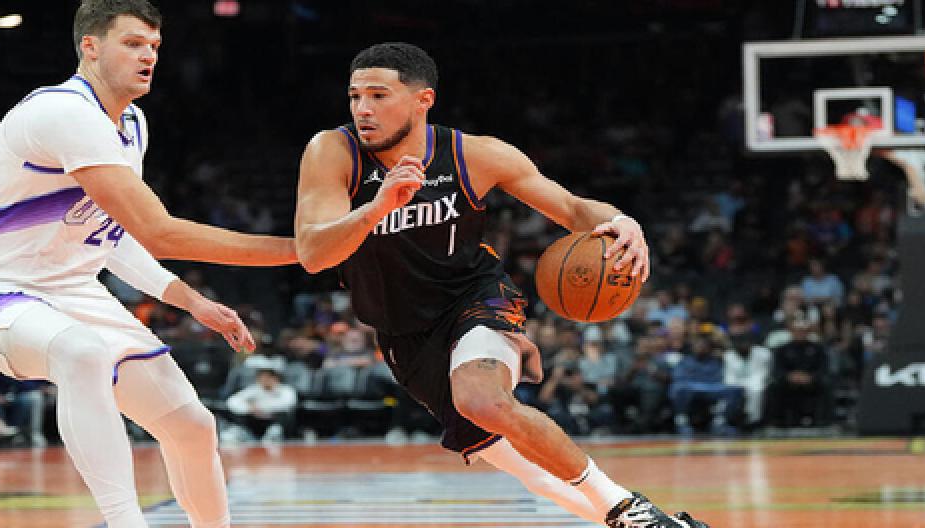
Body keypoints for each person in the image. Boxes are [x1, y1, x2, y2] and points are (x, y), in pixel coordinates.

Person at [293, 42, 709, 528]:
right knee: (512, 458)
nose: (363, 109)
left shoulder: (474, 155)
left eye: (379, 95)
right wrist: (377, 207)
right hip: (403, 332)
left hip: (474, 298)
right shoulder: (333, 151)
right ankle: (647, 520)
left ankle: (630, 511)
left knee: (481, 399)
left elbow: (572, 209)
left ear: (422, 99)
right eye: (355, 96)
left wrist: (621, 220)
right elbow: (314, 254)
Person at [0, 1, 296, 526]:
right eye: (133, 43)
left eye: (155, 47)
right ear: (90, 47)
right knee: (80, 352)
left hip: (71, 289)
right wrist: (300, 249)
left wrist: (189, 299)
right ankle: (123, 521)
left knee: (191, 425)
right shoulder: (63, 112)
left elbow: (110, 235)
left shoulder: (133, 124)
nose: (149, 56)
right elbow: (159, 231)